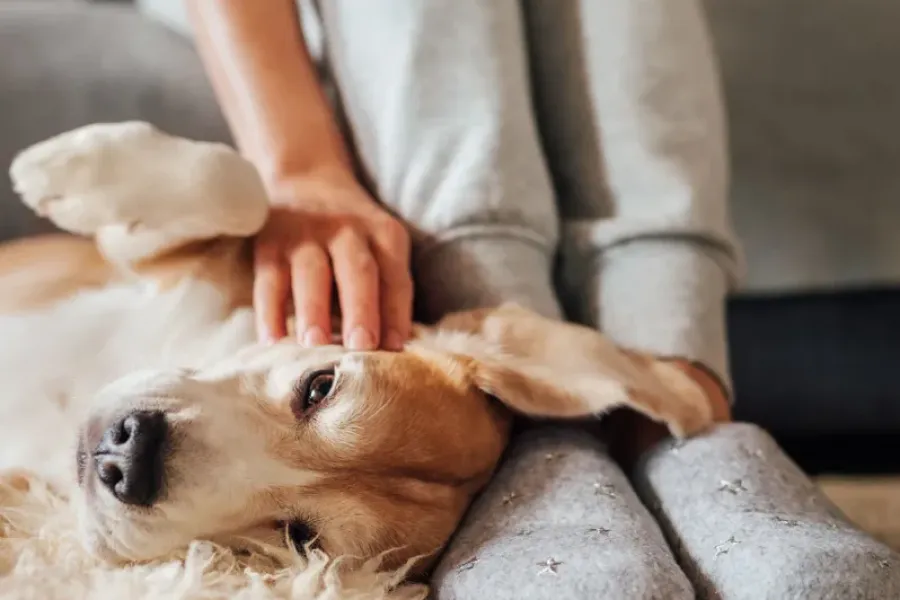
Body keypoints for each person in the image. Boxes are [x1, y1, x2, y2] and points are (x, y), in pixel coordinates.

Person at [1, 1, 897, 598]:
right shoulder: (234, 322)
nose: (144, 460)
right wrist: (283, 174)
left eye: (305, 539)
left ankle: (645, 407)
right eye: (317, 390)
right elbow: (162, 245)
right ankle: (646, 398)